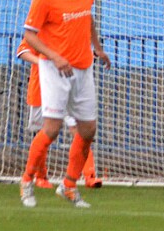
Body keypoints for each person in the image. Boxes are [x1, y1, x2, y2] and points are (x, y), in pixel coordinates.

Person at [19, 0, 110, 209]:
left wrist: (97, 48)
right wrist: (55, 57)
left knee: (88, 130)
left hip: (83, 68)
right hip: (55, 70)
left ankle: (69, 185)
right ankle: (26, 180)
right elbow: (30, 35)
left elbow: (88, 19)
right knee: (51, 129)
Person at [16, 38, 102, 190]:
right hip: (42, 89)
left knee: (79, 131)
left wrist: (91, 55)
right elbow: (22, 51)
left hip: (68, 88)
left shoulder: (71, 30)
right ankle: (40, 176)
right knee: (44, 132)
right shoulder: (40, 31)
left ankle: (90, 175)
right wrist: (44, 63)